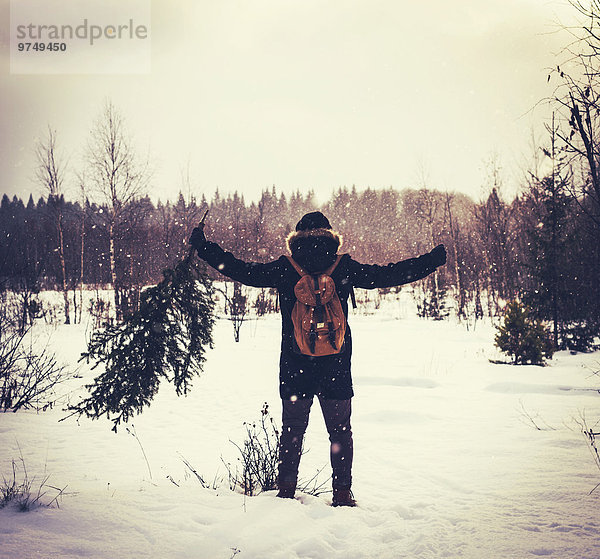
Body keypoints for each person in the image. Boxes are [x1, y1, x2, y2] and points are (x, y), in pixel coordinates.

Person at [190, 211, 446, 506]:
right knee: (339, 432)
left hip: (295, 365)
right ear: (330, 236)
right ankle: (341, 494)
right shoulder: (343, 267)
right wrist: (431, 260)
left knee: (293, 430)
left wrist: (204, 247)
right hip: (335, 365)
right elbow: (388, 274)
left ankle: (285, 492)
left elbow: (241, 270)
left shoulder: (285, 268)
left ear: (296, 239)